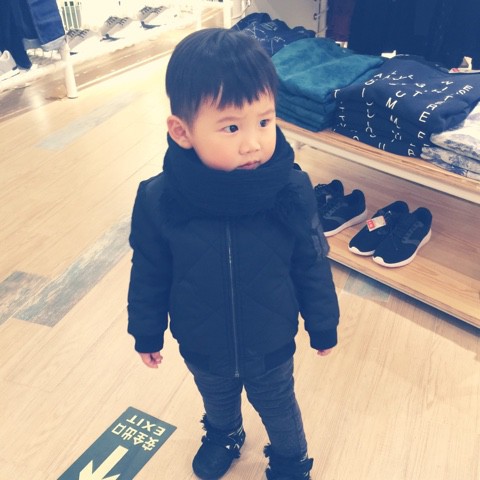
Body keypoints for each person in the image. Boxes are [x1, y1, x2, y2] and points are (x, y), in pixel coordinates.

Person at [127, 28, 340, 480]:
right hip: (201, 340)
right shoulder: (159, 199)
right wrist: (146, 330)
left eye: (264, 121)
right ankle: (224, 434)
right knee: (217, 398)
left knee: (278, 405)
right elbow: (149, 271)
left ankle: (291, 459)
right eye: (231, 127)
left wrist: (322, 323)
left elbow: (311, 262)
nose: (253, 143)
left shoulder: (290, 188)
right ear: (182, 131)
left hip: (271, 339)